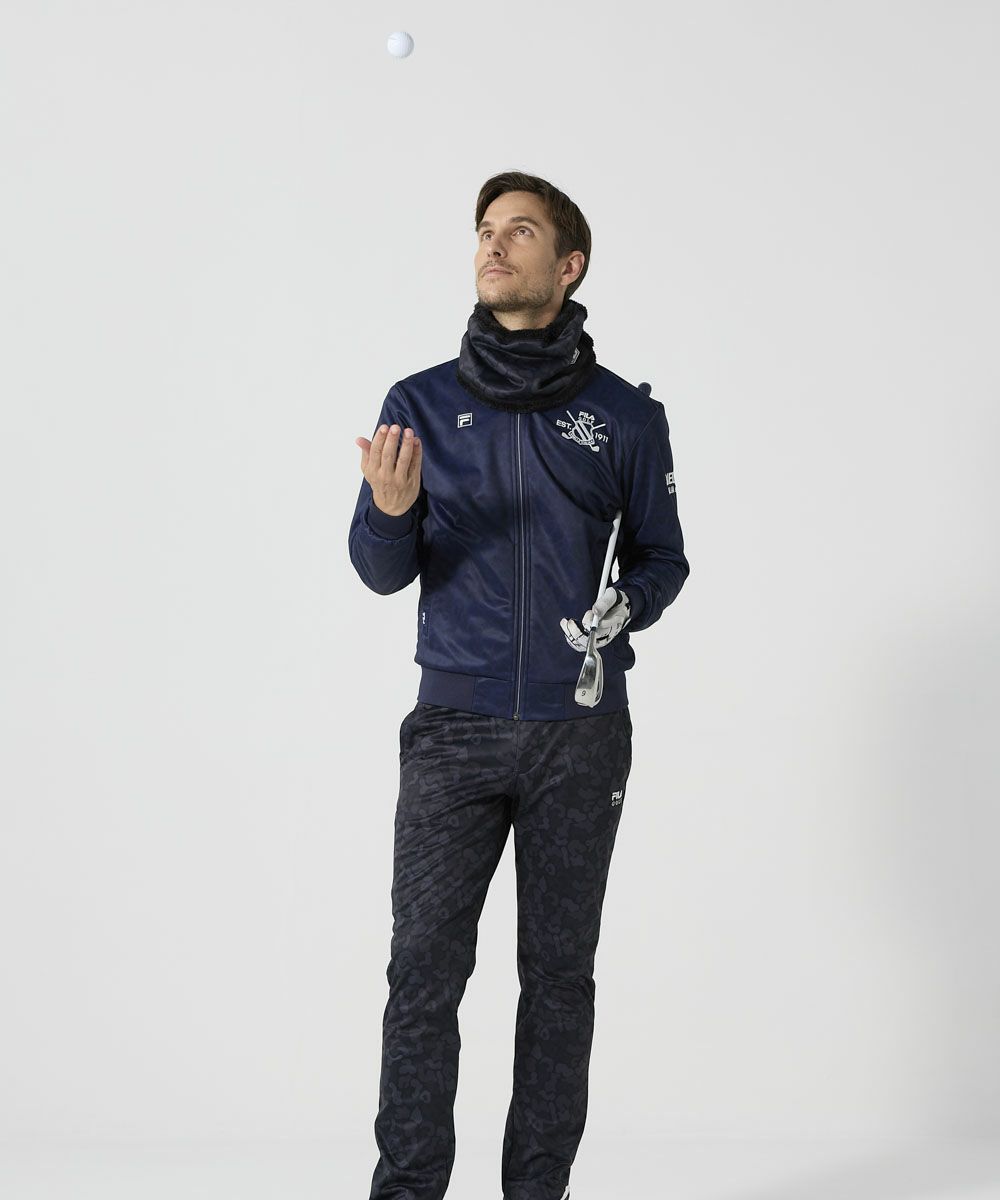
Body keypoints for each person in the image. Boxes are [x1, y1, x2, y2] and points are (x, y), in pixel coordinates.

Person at [348, 170, 690, 1200]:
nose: (493, 247)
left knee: (558, 981)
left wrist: (626, 605)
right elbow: (379, 571)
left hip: (579, 733)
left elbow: (663, 557)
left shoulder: (624, 416)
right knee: (423, 973)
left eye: (521, 232)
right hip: (451, 729)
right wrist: (389, 514)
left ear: (568, 265)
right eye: (485, 231)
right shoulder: (417, 404)